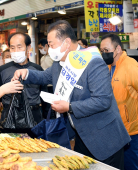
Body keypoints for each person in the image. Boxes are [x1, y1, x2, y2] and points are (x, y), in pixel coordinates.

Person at [12, 20, 130, 169]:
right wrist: (26, 73)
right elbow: (45, 77)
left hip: (104, 139)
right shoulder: (59, 62)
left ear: (66, 42)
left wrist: (69, 106)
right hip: (81, 135)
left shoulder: (93, 62)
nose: (49, 50)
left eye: (52, 44)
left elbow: (102, 100)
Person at [0, 32, 48, 134]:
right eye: (12, 48)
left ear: (28, 47)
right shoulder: (2, 70)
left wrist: (49, 121)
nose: (16, 51)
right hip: (9, 118)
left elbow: (45, 98)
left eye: (19, 47)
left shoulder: (37, 69)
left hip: (34, 118)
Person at [100, 34, 138, 170]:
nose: (104, 54)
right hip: (113, 129)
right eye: (101, 51)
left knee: (131, 165)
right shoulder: (108, 67)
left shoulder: (131, 66)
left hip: (130, 131)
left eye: (106, 50)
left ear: (118, 49)